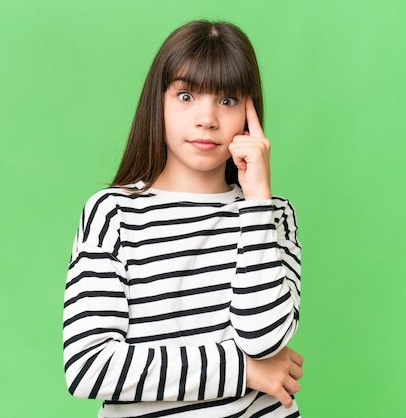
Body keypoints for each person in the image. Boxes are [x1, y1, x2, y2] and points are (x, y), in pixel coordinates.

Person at [63, 20, 303, 417]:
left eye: (227, 101)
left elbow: (263, 339)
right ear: (157, 102)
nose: (206, 118)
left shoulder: (274, 215)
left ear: (249, 114)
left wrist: (258, 202)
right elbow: (89, 367)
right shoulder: (114, 214)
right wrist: (242, 370)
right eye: (187, 95)